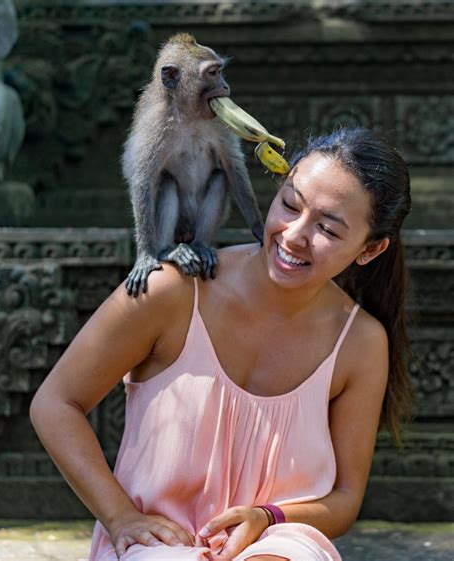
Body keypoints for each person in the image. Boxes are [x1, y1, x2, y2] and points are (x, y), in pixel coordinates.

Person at [30, 127, 413, 561]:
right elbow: (55, 402)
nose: (293, 235)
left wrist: (267, 518)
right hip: (157, 545)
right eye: (289, 204)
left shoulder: (360, 343)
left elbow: (344, 498)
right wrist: (121, 518)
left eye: (326, 228)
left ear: (371, 248)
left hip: (278, 543)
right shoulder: (173, 291)